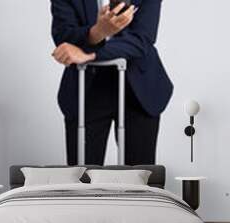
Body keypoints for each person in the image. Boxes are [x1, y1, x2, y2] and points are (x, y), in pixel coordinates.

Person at [51, 0, 173, 165]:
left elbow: (142, 39)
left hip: (139, 89)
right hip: (86, 87)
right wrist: (96, 33)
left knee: (140, 180)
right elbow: (64, 38)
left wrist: (90, 55)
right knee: (81, 178)